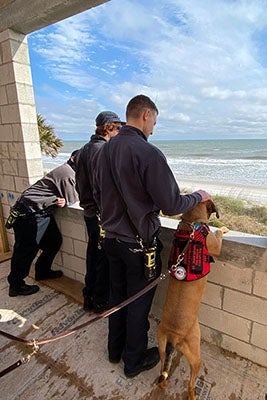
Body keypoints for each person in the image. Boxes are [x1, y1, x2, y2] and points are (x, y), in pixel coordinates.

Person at [93, 94, 211, 378]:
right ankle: (132, 362)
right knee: (137, 305)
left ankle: (114, 350)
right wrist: (199, 196)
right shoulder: (148, 153)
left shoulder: (102, 151)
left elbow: (97, 195)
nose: (154, 129)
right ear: (146, 115)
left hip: (110, 240)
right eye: (154, 122)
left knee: (116, 297)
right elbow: (171, 205)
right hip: (138, 248)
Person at [7, 150, 79, 297]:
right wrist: (67, 200)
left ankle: (42, 271)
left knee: (53, 241)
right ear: (73, 158)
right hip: (30, 213)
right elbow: (74, 198)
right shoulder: (68, 173)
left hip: (41, 212)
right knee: (26, 250)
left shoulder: (66, 170)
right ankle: (16, 285)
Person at [75, 111, 124, 313]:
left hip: (89, 213)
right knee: (102, 260)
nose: (120, 132)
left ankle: (89, 296)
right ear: (108, 128)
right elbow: (102, 188)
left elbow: (79, 184)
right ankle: (99, 301)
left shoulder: (82, 150)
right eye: (118, 128)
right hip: (99, 215)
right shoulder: (102, 151)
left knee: (93, 256)